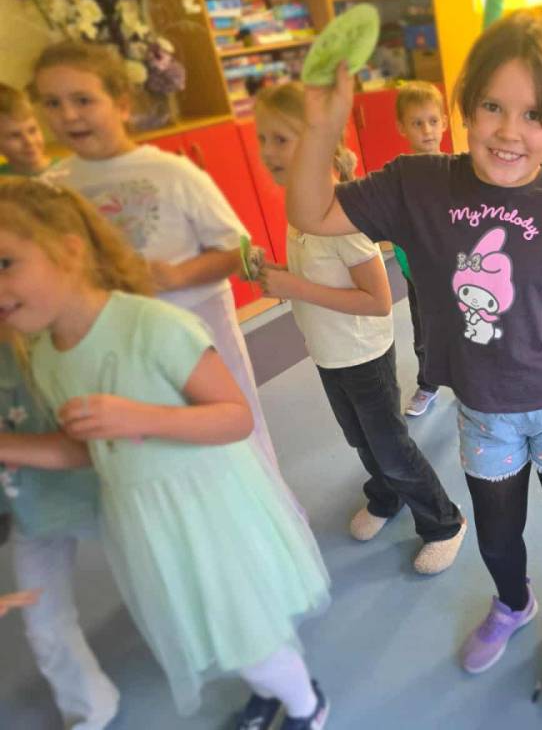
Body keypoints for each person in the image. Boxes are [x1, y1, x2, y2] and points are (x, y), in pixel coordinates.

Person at [286, 12, 542, 709]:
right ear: (464, 105)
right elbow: (311, 213)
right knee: (494, 532)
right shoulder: (418, 184)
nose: (510, 131)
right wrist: (321, 126)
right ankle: (514, 602)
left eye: (533, 115)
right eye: (493, 106)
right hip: (486, 412)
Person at [0, 177, 331, 730]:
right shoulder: (47, 356)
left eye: (6, 263)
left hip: (206, 511)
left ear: (69, 250)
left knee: (246, 629)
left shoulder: (150, 326)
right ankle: (269, 689)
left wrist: (141, 418)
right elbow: (85, 451)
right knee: (214, 628)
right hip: (145, 522)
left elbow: (234, 417)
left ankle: (306, 705)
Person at [30, 40, 288, 490]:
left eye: (83, 100)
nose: (68, 115)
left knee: (232, 433)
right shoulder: (55, 187)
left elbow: (238, 250)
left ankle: (264, 506)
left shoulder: (172, 173)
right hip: (118, 340)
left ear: (122, 104)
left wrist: (177, 275)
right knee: (159, 441)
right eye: (52, 103)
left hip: (197, 331)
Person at [253, 82, 466, 573]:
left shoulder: (342, 221)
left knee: (391, 446)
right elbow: (317, 277)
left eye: (281, 139)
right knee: (360, 439)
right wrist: (280, 275)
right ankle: (386, 495)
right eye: (263, 139)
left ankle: (443, 521)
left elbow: (377, 299)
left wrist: (295, 287)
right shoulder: (299, 210)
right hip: (328, 352)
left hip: (362, 354)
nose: (268, 152)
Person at [0, 331, 119, 729]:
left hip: (101, 494)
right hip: (29, 511)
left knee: (161, 588)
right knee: (44, 625)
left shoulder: (42, 348)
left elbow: (84, 449)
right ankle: (91, 709)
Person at [393, 81, 450, 416]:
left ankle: (470, 380)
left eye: (432, 121)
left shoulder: (457, 171)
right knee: (424, 333)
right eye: (417, 123)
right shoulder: (399, 177)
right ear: (402, 128)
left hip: (455, 273)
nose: (427, 130)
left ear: (444, 123)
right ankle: (428, 383)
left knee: (467, 328)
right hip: (418, 274)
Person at [0, 83, 51, 176]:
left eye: (32, 130)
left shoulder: (67, 169)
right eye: (15, 135)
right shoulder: (3, 180)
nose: (29, 141)